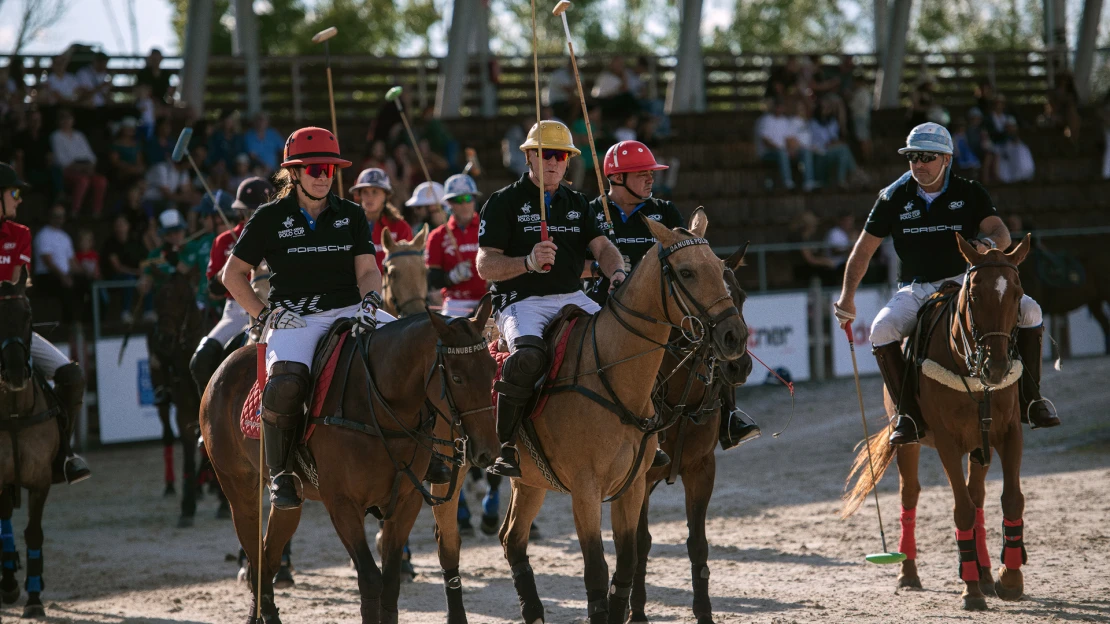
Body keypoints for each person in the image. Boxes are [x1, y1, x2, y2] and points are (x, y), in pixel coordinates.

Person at [833, 123, 1059, 446]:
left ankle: (1031, 400)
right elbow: (863, 251)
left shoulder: (970, 192)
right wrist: (847, 297)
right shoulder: (892, 196)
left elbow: (1002, 234)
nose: (919, 164)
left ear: (947, 159)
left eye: (927, 157)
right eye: (913, 157)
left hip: (965, 283)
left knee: (1032, 311)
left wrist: (986, 243)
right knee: (881, 330)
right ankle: (907, 415)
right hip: (915, 289)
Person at [221, 127, 386, 510]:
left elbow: (367, 270)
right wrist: (265, 314)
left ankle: (427, 452)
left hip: (350, 309)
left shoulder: (352, 214)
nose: (323, 176)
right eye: (313, 169)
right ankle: (281, 474)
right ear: (293, 173)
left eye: (329, 168)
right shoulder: (268, 217)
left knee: (414, 350)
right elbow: (232, 275)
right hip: (295, 317)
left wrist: (370, 303)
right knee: (285, 384)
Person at [477, 120, 627, 478]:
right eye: (545, 155)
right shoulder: (503, 202)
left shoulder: (578, 203)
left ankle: (645, 431)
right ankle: (506, 445)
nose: (553, 162)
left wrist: (617, 273)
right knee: (527, 359)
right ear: (529, 156)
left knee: (624, 341)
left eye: (560, 156)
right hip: (521, 301)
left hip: (572, 296)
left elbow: (603, 248)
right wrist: (527, 262)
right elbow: (485, 264)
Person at [594, 140, 760, 454]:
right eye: (641, 173)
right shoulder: (592, 212)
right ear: (617, 178)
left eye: (651, 173)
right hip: (606, 306)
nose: (650, 179)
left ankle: (728, 415)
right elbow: (572, 261)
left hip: (660, 309)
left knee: (709, 335)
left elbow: (687, 258)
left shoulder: (665, 211)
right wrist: (596, 267)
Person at [0, 163, 91, 484]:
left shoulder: (20, 233)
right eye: (13, 192)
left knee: (72, 376)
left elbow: (13, 285)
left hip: (13, 329)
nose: (19, 199)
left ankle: (62, 454)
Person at [190, 177, 275, 396]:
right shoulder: (225, 240)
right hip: (236, 310)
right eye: (250, 211)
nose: (254, 216)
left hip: (274, 305)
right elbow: (214, 290)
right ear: (241, 212)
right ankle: (210, 414)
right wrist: (227, 271)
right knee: (201, 360)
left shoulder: (281, 236)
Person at [426, 174, 487, 317]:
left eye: (468, 198)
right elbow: (432, 279)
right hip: (455, 302)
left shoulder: (489, 229)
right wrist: (451, 277)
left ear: (474, 200)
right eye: (458, 200)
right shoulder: (437, 236)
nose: (464, 204)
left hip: (488, 299)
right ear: (449, 203)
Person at [348, 167, 413, 271]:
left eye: (375, 192)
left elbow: (407, 265)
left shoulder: (401, 227)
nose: (370, 197)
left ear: (386, 195)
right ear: (359, 195)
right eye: (365, 192)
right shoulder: (349, 226)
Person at [51, 109, 107, 216]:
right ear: (58, 121)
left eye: (69, 118)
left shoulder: (79, 135)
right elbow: (61, 160)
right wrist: (78, 167)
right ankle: (75, 211)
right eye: (63, 118)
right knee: (83, 181)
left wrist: (89, 166)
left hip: (85, 168)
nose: (66, 121)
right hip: (68, 170)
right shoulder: (56, 136)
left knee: (101, 181)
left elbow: (91, 157)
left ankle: (96, 212)